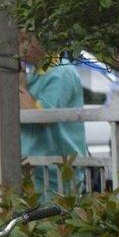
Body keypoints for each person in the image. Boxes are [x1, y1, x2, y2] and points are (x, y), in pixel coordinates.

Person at [18, 32, 87, 199]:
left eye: (25, 39)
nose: (19, 46)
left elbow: (43, 118)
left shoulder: (61, 71)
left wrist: (17, 87)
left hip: (58, 177)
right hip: (34, 172)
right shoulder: (35, 72)